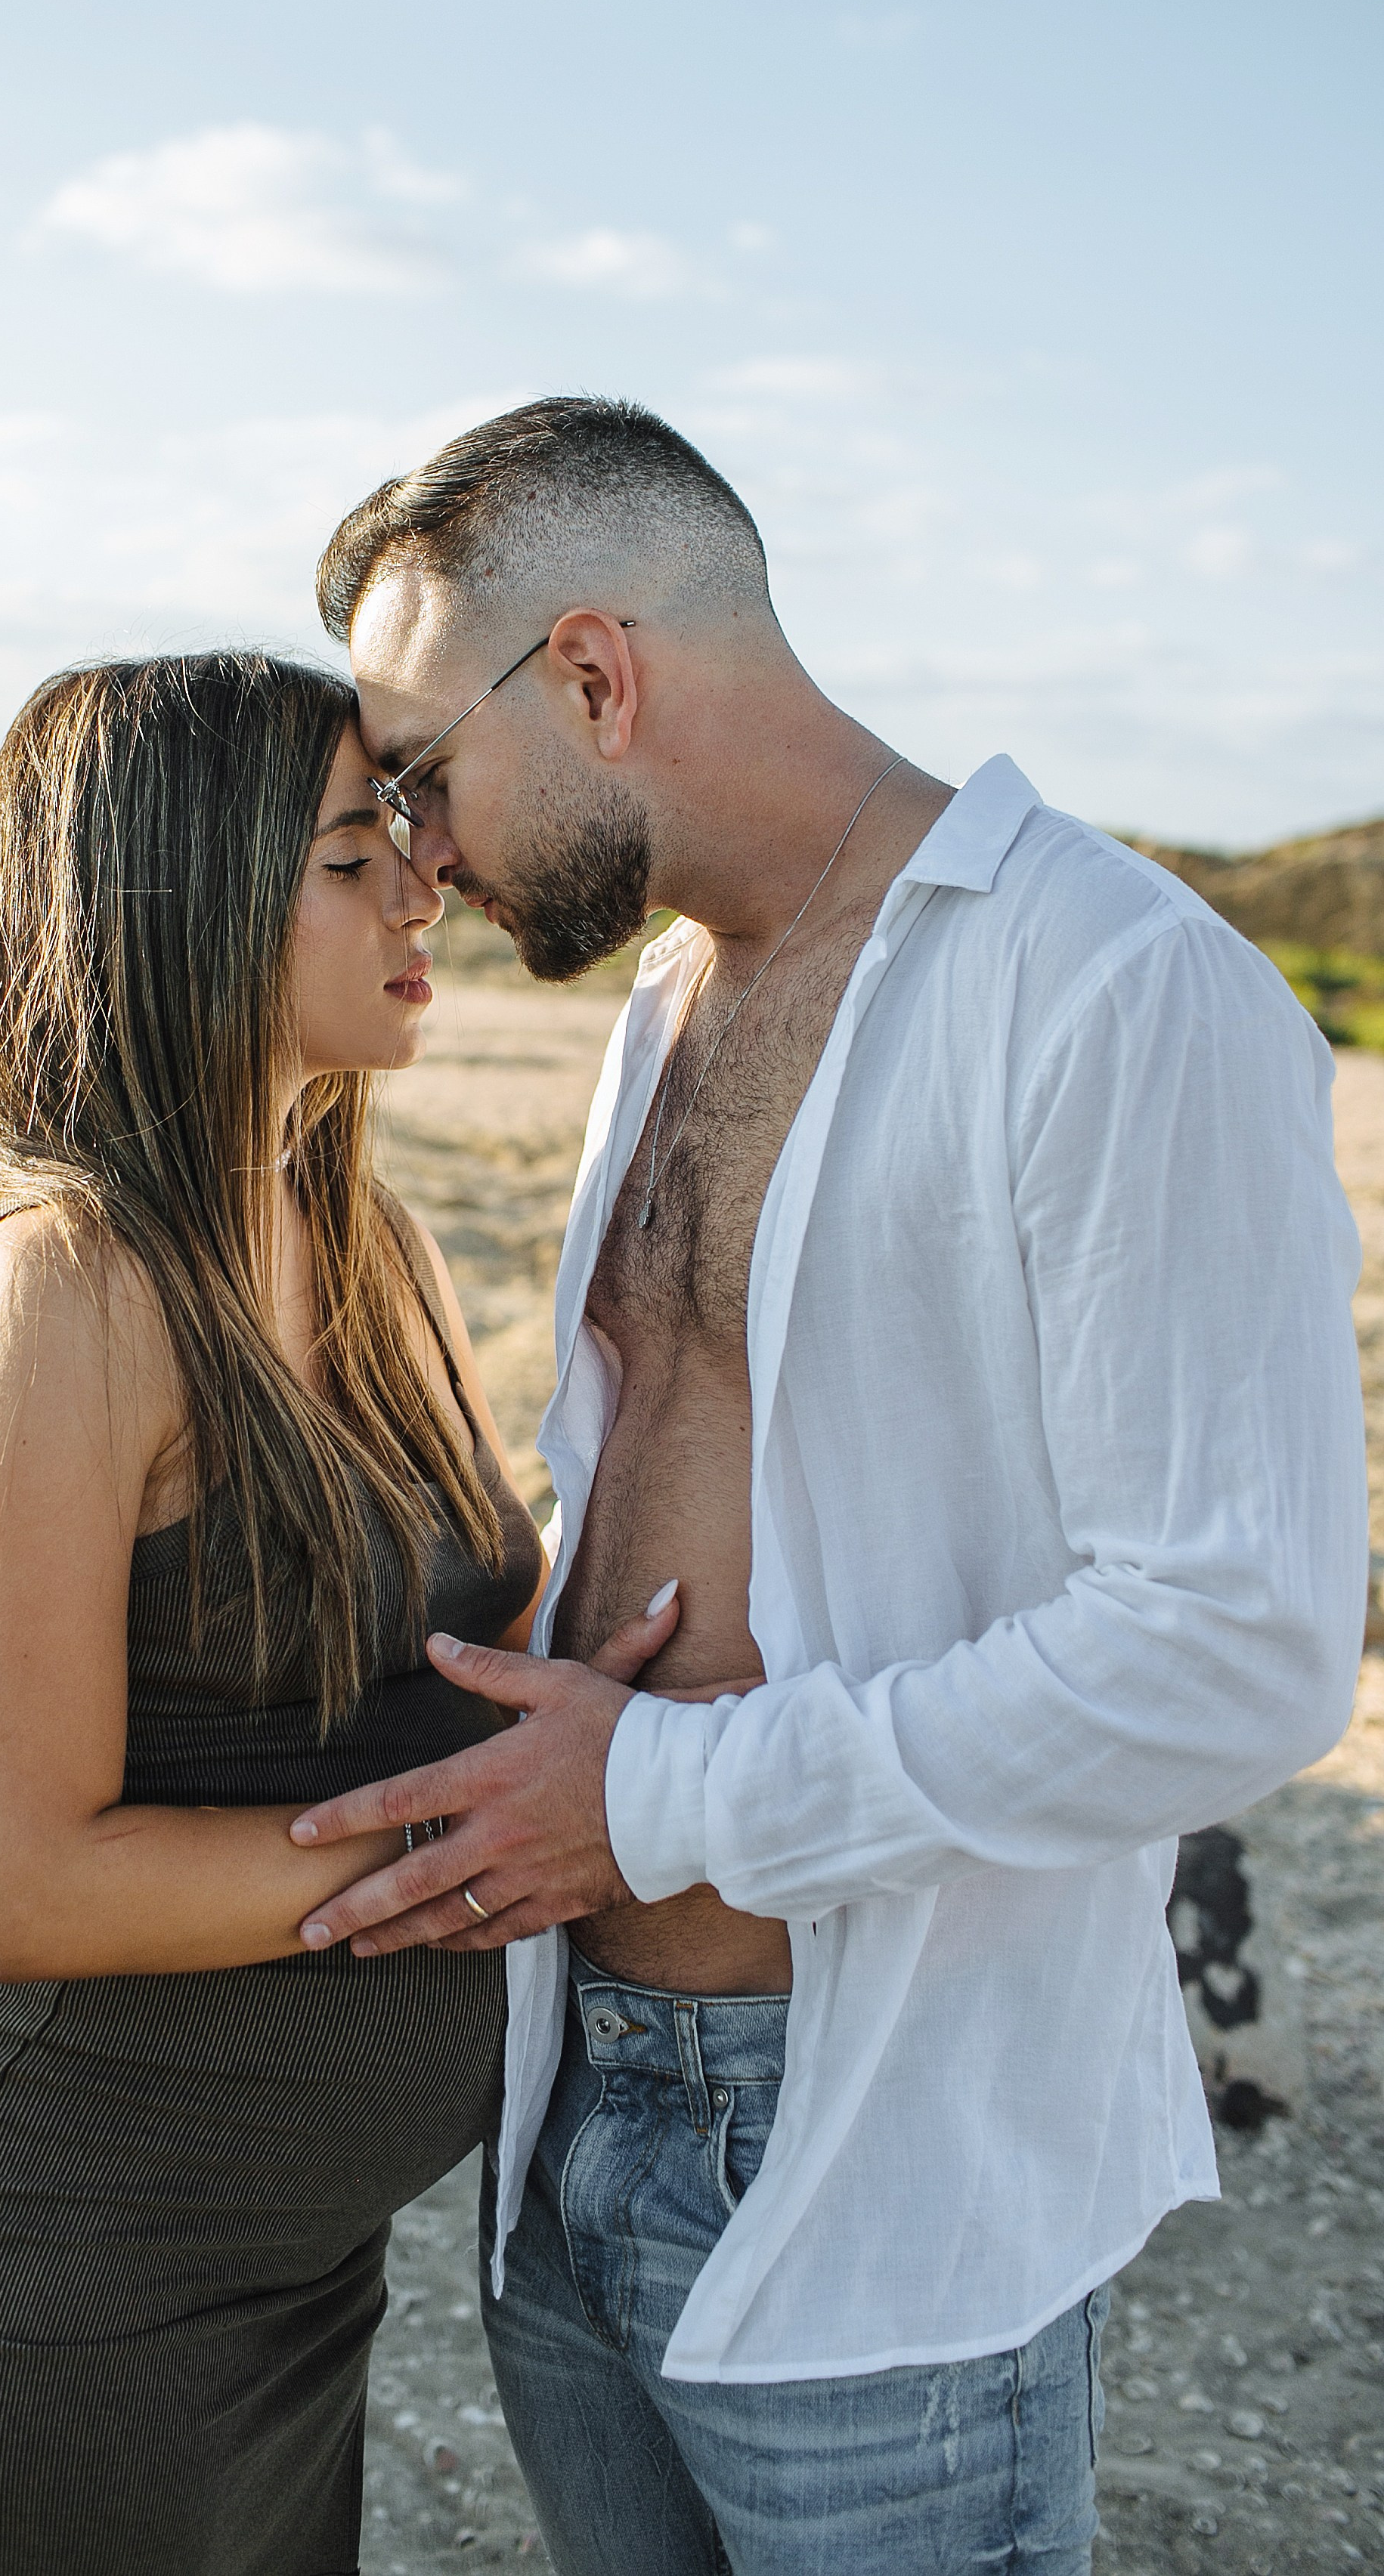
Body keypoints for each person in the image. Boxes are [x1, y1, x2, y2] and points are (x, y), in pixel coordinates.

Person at [288, 399, 1369, 2574]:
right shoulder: (667, 998)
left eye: (418, 772)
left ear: (593, 676)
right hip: (566, 2103)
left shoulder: (1109, 982)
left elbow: (1236, 1648)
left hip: (870, 2143)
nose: (416, 851)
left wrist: (656, 1799)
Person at [0, 650, 670, 2576]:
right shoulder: (69, 1284)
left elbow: (466, 1627)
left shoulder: (381, 1246)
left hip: (287, 2259)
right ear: (183, 902)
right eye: (354, 856)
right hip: (62, 2262)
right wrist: (481, 1844)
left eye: (407, 844)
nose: (423, 888)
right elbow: (36, 1884)